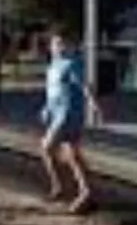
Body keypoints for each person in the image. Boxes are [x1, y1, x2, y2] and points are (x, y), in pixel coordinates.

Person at [39, 28, 102, 214]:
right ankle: (86, 192)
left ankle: (61, 186)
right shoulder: (52, 67)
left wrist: (93, 104)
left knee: (47, 146)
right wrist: (46, 108)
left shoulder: (72, 64)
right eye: (57, 44)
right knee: (72, 153)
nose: (60, 48)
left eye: (63, 44)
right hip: (57, 112)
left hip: (68, 113)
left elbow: (85, 86)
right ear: (50, 47)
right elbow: (52, 91)